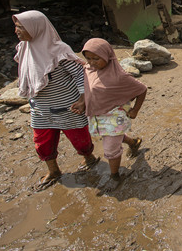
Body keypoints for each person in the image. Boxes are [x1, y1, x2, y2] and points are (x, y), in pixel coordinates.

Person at [13, 10, 99, 191]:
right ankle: (54, 171)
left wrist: (83, 99)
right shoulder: (24, 49)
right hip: (40, 108)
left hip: (68, 106)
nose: (16, 31)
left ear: (36, 28)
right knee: (42, 143)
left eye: (21, 27)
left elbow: (79, 74)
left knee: (80, 138)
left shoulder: (59, 50)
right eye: (16, 26)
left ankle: (89, 157)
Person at [76, 38, 147, 183]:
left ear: (108, 55)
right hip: (98, 114)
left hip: (115, 115)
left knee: (110, 149)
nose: (92, 62)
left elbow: (142, 89)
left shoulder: (119, 76)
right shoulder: (89, 69)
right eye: (88, 58)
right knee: (110, 136)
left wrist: (135, 110)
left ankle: (115, 176)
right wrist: (83, 102)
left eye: (96, 58)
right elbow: (88, 88)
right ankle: (133, 142)